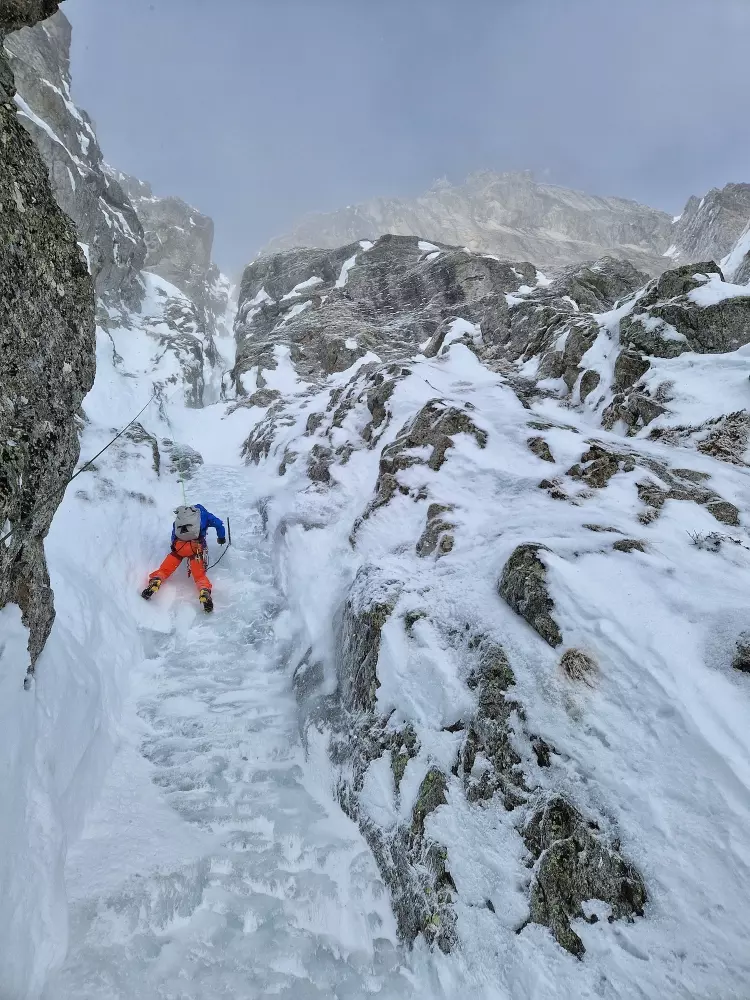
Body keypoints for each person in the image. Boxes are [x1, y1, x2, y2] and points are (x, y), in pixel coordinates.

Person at [141, 503, 226, 613]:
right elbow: (219, 524)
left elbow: (174, 532)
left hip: (179, 548)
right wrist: (221, 538)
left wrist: (175, 548)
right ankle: (204, 592)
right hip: (196, 549)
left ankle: (156, 580)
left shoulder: (182, 516)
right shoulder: (205, 515)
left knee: (164, 570)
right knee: (200, 577)